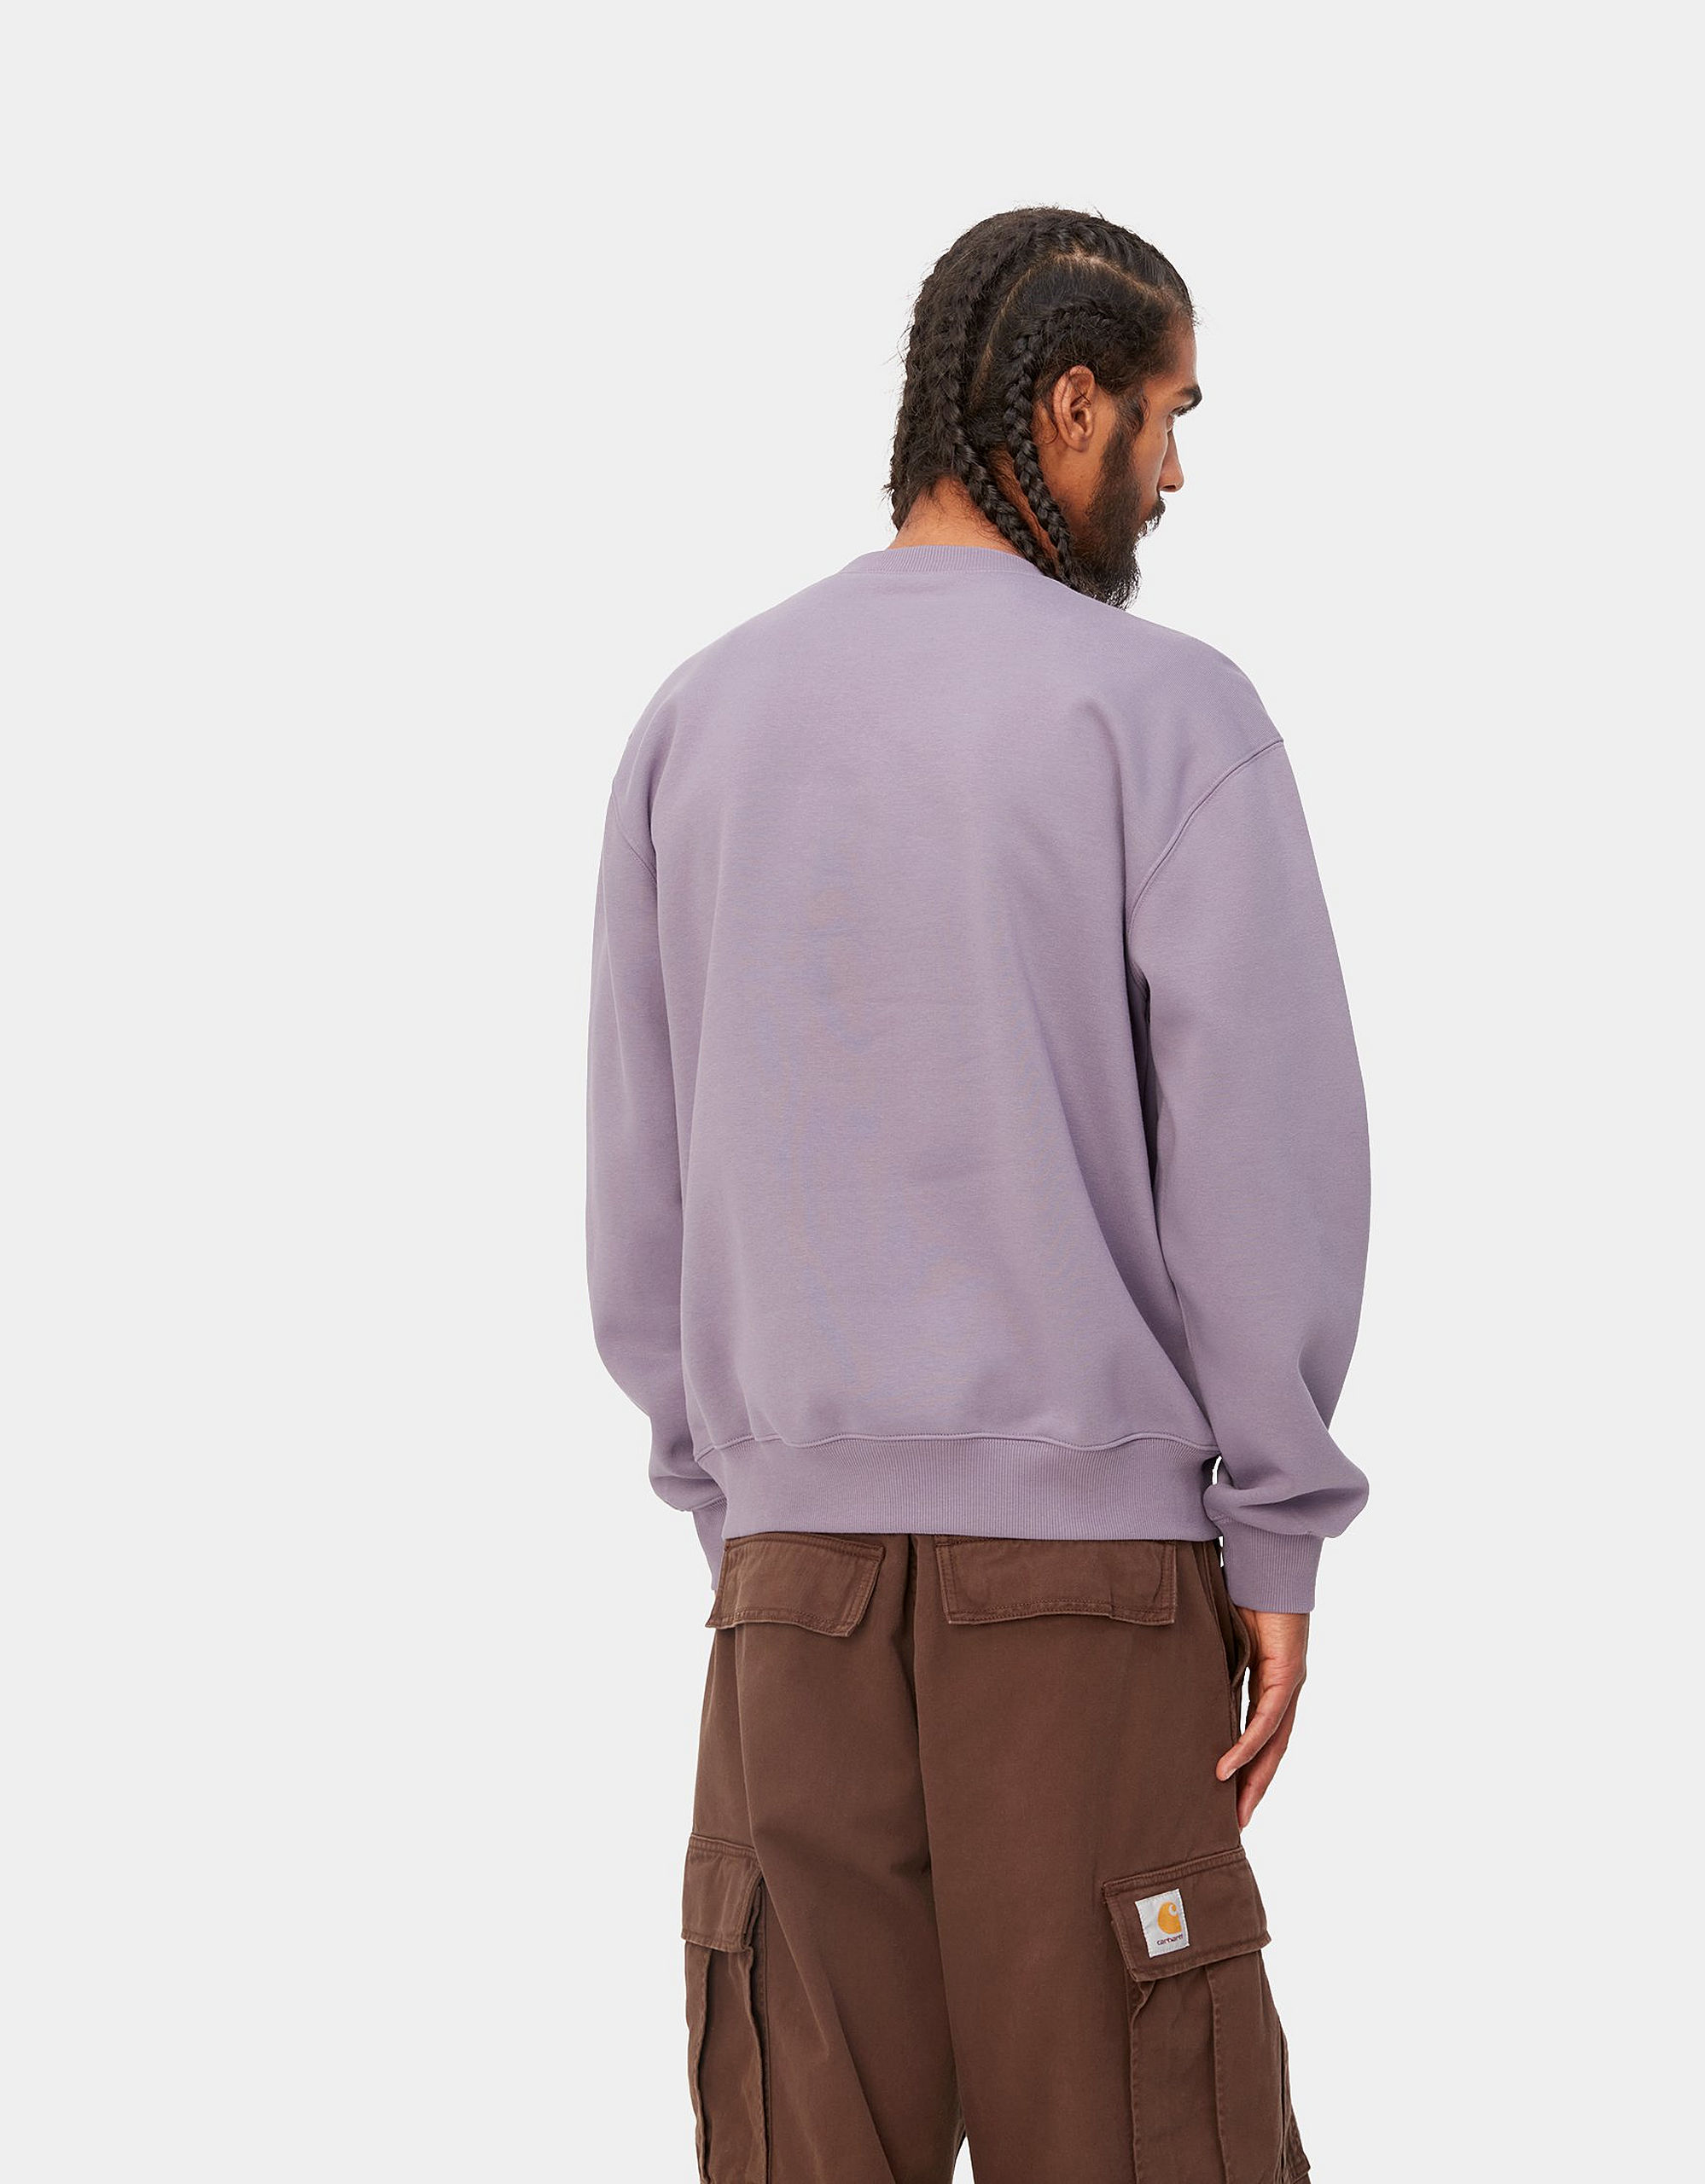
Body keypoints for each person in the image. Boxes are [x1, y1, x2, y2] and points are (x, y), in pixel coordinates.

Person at [585, 206, 1370, 2184]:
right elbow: (1260, 1158)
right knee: (1141, 2139)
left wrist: (753, 1514)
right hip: (1087, 1595)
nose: (1173, 474)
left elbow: (639, 1184)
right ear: (1068, 403)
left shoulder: (700, 716)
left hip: (789, 1596)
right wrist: (1272, 1531)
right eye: (1167, 417)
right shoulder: (1159, 711)